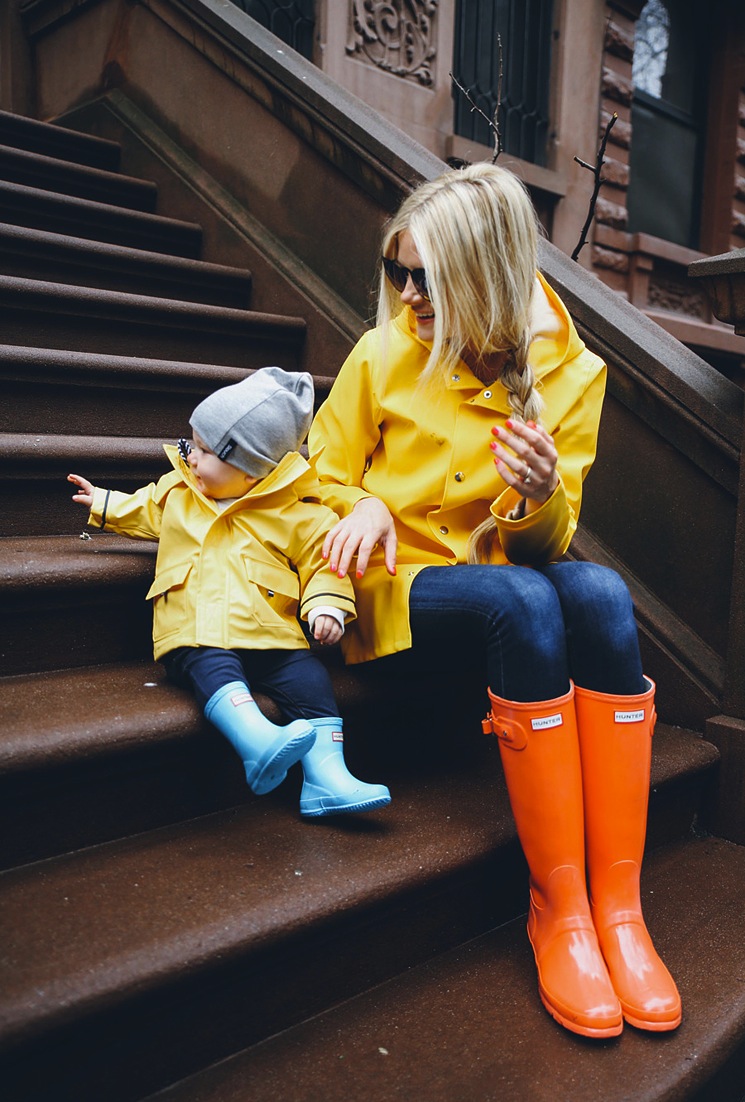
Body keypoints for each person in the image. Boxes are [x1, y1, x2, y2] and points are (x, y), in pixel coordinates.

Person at [308, 164, 681, 1037]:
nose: (405, 295)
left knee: (596, 590)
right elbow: (313, 478)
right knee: (523, 601)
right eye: (396, 271)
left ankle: (612, 912)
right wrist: (359, 499)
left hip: (500, 589)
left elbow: (545, 549)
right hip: (394, 590)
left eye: (426, 277)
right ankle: (556, 908)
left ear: (485, 275)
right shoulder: (385, 349)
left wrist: (540, 494)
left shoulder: (570, 373)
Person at [68, 366, 390, 819]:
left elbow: (325, 565)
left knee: (310, 679)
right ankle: (256, 742)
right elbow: (143, 509)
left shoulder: (300, 515)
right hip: (196, 628)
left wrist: (327, 608)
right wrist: (103, 503)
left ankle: (327, 778)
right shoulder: (178, 492)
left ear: (251, 470)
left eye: (203, 451)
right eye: (191, 445)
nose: (191, 459)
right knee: (214, 665)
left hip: (270, 633)